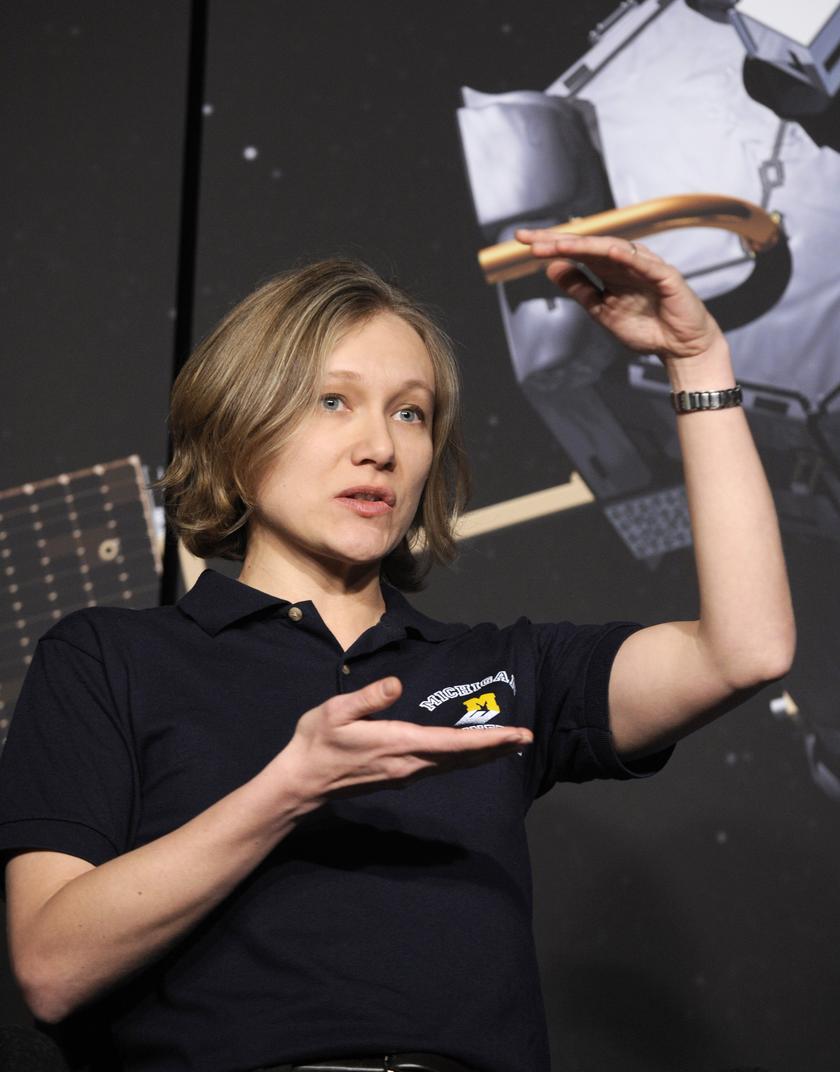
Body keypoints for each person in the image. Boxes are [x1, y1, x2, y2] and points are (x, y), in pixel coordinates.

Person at [0, 237, 795, 1072]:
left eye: (410, 413)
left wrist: (696, 359)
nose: (379, 446)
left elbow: (746, 649)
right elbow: (52, 968)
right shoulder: (111, 658)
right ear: (238, 432)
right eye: (333, 401)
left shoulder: (503, 669)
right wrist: (291, 787)